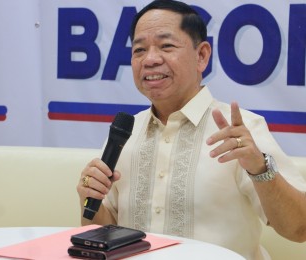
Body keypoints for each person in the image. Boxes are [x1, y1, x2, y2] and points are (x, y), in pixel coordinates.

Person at [76, 1, 306, 259]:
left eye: (166, 46)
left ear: (202, 56)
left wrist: (260, 168)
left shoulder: (242, 132)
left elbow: (299, 229)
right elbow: (103, 235)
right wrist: (90, 198)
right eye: (139, 49)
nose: (150, 59)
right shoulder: (124, 133)